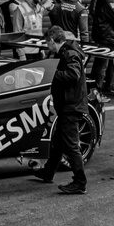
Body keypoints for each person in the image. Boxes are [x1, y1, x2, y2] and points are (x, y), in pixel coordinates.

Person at [32, 26, 88, 194]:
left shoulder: (70, 54)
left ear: (51, 40)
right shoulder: (64, 53)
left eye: (47, 43)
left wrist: (51, 74)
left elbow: (73, 75)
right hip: (68, 105)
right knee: (58, 142)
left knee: (70, 145)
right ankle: (48, 172)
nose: (47, 46)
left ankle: (80, 181)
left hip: (71, 106)